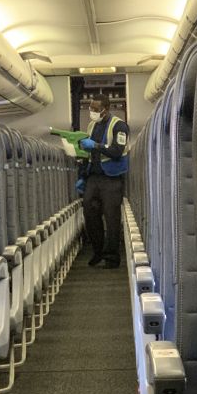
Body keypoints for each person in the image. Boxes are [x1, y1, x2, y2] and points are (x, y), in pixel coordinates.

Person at [77, 94, 129, 268]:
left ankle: (112, 257)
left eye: (96, 109)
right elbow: (88, 154)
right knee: (89, 214)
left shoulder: (119, 126)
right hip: (94, 176)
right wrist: (83, 176)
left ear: (106, 109)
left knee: (112, 217)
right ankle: (97, 251)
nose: (92, 111)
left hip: (112, 178)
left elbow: (116, 151)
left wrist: (97, 146)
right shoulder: (92, 126)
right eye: (91, 108)